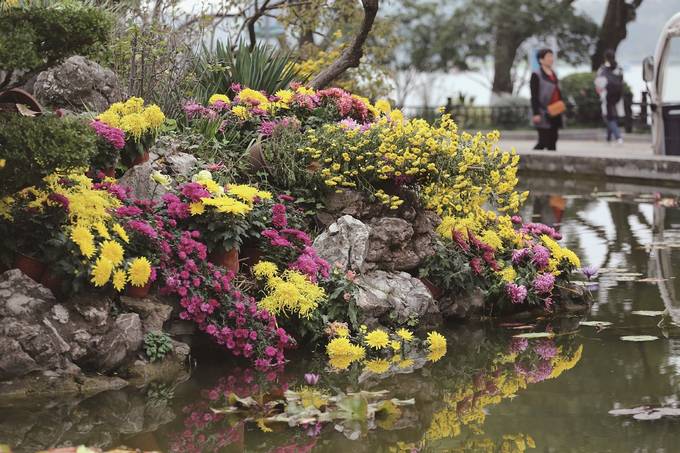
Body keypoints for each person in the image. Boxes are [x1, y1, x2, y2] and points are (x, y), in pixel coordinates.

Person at [530, 48, 564, 151]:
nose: (551, 59)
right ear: (541, 60)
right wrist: (536, 113)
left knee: (553, 139)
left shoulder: (554, 74)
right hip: (543, 111)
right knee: (543, 141)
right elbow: (534, 96)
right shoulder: (536, 75)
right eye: (548, 56)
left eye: (551, 56)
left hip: (555, 110)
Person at [595, 49, 625, 144]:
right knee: (613, 116)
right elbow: (622, 82)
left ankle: (618, 137)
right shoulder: (619, 69)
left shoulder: (602, 69)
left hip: (607, 96)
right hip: (618, 96)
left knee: (608, 117)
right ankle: (608, 138)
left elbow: (599, 84)